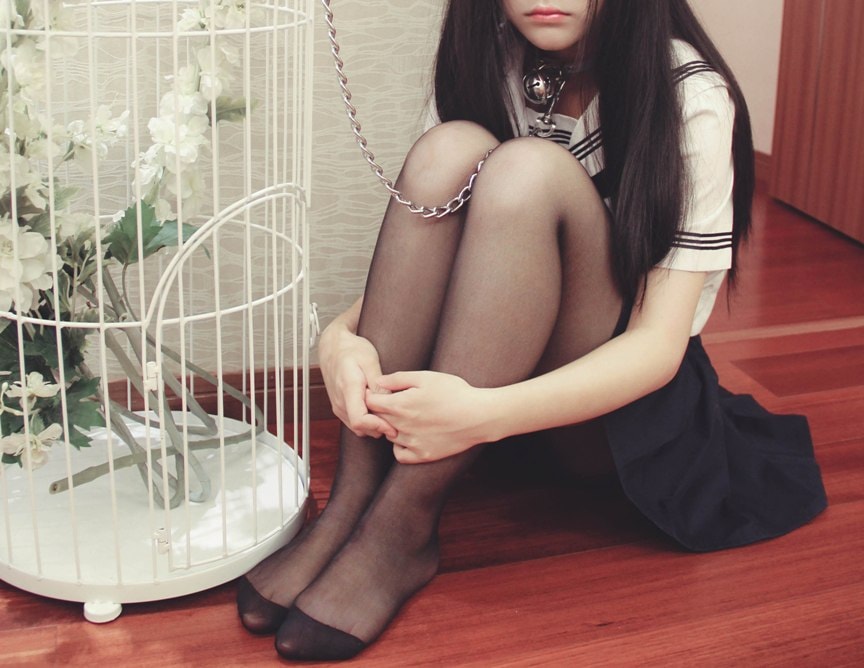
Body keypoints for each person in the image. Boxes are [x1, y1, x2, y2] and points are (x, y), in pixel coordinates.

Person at [237, 0, 827, 660]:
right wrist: (338, 339)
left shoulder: (689, 93)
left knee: (528, 170)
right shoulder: (494, 59)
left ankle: (401, 529)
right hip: (495, 380)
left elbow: (658, 347)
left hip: (611, 416)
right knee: (447, 150)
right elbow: (431, 256)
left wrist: (482, 415)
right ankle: (350, 504)